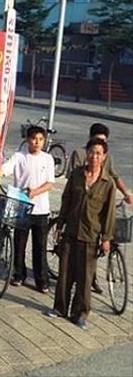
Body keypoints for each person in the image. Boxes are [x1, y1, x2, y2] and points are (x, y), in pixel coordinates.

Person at [46, 138, 116, 330]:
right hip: (71, 231)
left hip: (91, 235)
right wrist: (60, 224)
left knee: (85, 278)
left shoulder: (107, 183)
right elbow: (66, 199)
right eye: (91, 152)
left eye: (98, 153)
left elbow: (109, 213)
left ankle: (80, 313)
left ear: (104, 157)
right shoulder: (77, 175)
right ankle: (60, 307)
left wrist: (107, 238)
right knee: (65, 273)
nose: (94, 156)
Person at [0, 126, 55, 293]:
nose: (37, 142)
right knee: (19, 243)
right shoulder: (19, 157)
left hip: (41, 209)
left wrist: (35, 192)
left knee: (39, 246)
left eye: (40, 139)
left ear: (44, 141)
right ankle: (19, 274)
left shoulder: (47, 159)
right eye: (33, 139)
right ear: (27, 140)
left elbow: (50, 183)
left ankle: (41, 280)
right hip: (21, 207)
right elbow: (4, 169)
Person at [66, 122, 132, 295]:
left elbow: (114, 177)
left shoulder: (106, 157)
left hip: (100, 204)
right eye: (97, 142)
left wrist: (126, 192)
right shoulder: (80, 155)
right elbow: (72, 186)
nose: (96, 155)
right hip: (79, 211)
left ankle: (89, 285)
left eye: (103, 144)